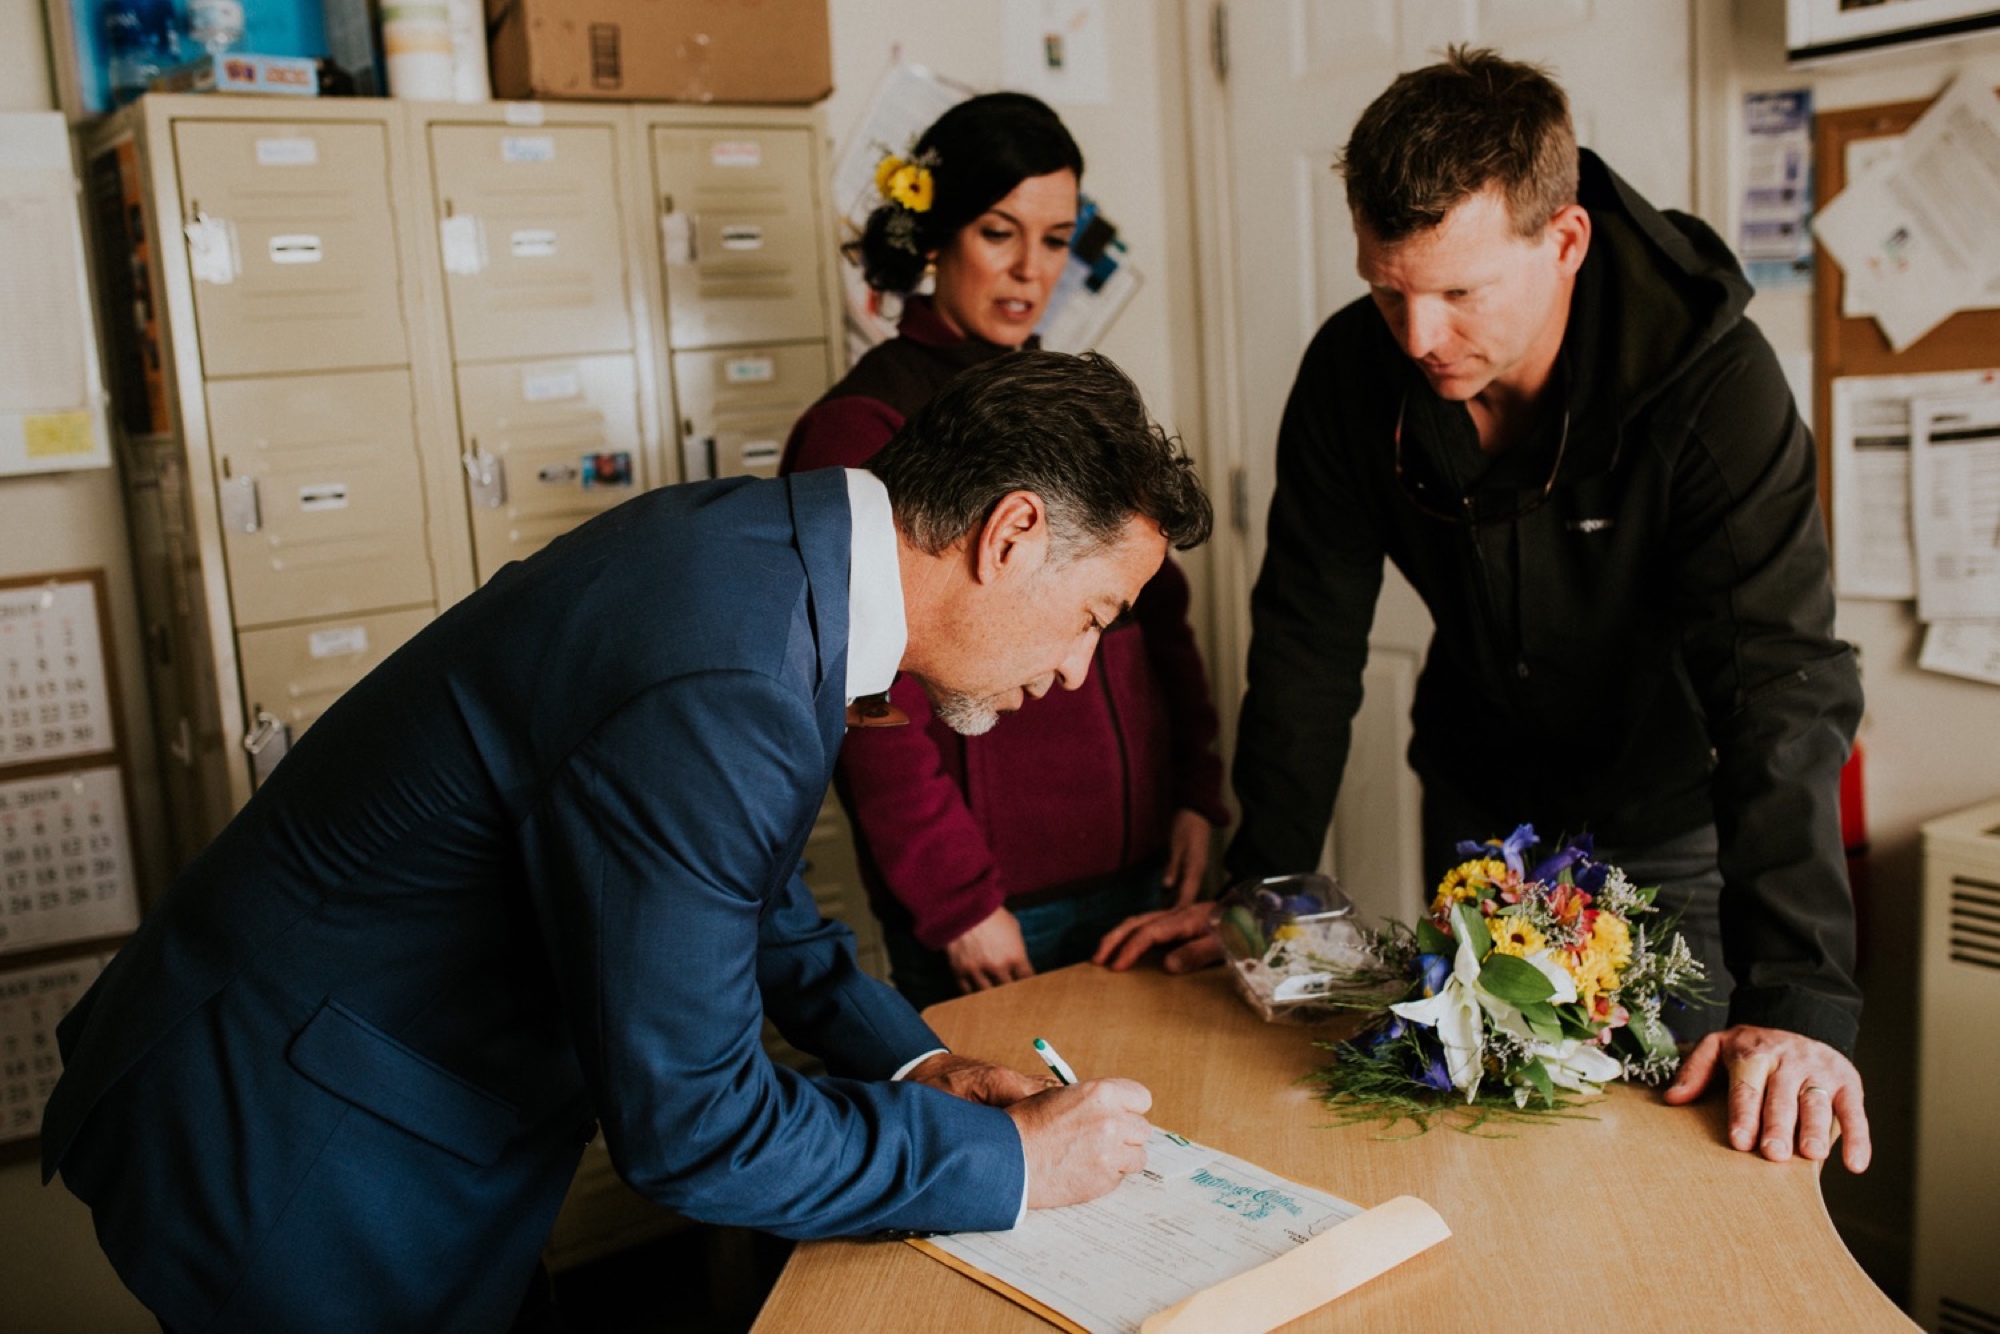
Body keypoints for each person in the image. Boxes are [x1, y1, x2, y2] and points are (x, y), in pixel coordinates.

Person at [42, 349, 1206, 1333]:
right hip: (295, 1140)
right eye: (1093, 616)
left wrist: (913, 1062)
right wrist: (1010, 1166)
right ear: (1009, 533)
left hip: (380, 1093)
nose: (1071, 670)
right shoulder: (730, 667)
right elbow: (695, 1130)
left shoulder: (774, 557)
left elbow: (739, 887)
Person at [1097, 47, 1871, 1175]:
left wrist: (1800, 997)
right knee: (1488, 1143)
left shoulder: (1713, 387)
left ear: (1562, 243)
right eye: (1384, 287)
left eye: (1458, 292)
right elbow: (1307, 639)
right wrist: (1255, 892)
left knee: (1682, 1167)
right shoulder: (1352, 376)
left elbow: (1779, 685)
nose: (1415, 337)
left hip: (1675, 826)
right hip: (1480, 820)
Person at [782, 91, 1228, 1010]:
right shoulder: (862, 424)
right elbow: (861, 695)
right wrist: (956, 901)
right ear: (937, 234)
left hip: (1143, 877)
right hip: (996, 906)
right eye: (999, 231)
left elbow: (1163, 615)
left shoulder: (1069, 406)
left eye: (1057, 239)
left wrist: (1199, 794)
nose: (1032, 270)